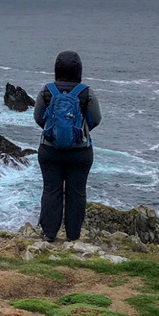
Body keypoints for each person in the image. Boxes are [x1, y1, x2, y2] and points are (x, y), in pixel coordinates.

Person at [33, 50, 102, 242]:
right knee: (77, 192)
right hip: (80, 152)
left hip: (50, 150)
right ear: (79, 69)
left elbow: (38, 117)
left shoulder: (47, 91)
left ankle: (48, 234)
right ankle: (73, 235)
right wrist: (79, 133)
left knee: (51, 190)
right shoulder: (86, 92)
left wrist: (53, 133)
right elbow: (96, 119)